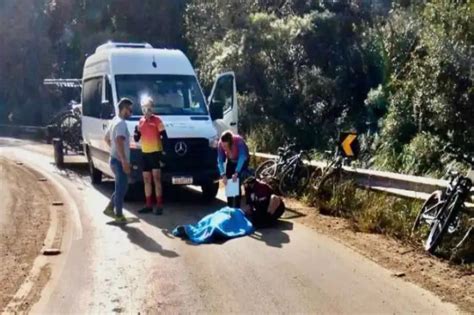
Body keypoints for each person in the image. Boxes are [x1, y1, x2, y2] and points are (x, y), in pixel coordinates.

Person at [133, 96, 167, 215]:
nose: (147, 111)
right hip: (145, 153)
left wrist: (163, 154)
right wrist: (136, 132)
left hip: (155, 153)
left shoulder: (157, 120)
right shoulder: (140, 121)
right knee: (147, 179)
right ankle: (148, 204)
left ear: (152, 109)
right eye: (144, 109)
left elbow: (164, 137)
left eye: (149, 108)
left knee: (157, 179)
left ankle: (159, 204)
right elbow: (137, 138)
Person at [103, 98, 133, 223]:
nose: (131, 113)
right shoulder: (121, 123)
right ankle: (119, 215)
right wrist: (124, 160)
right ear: (124, 109)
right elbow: (119, 141)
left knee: (121, 187)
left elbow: (106, 138)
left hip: (114, 159)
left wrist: (114, 151)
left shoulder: (114, 120)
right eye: (130, 110)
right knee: (121, 188)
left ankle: (110, 208)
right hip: (119, 161)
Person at [217, 130, 250, 208]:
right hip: (231, 160)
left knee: (236, 182)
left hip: (242, 160)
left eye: (226, 146)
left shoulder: (239, 141)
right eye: (223, 146)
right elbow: (220, 160)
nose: (224, 148)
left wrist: (236, 172)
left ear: (231, 143)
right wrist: (223, 174)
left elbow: (242, 157)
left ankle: (237, 208)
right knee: (229, 183)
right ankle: (230, 207)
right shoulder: (220, 144)